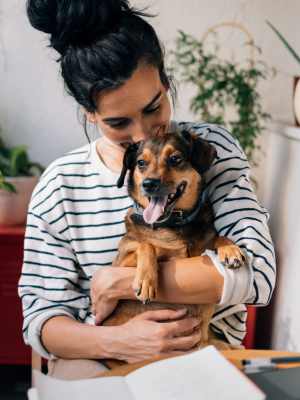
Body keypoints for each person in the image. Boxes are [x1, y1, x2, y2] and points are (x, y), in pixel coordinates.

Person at [18, 0, 276, 380]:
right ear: (89, 112)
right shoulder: (60, 185)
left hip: (204, 352)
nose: (143, 135)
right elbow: (41, 322)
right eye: (118, 121)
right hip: (102, 357)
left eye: (154, 108)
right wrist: (119, 342)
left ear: (166, 83)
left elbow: (258, 276)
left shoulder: (209, 152)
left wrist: (118, 281)